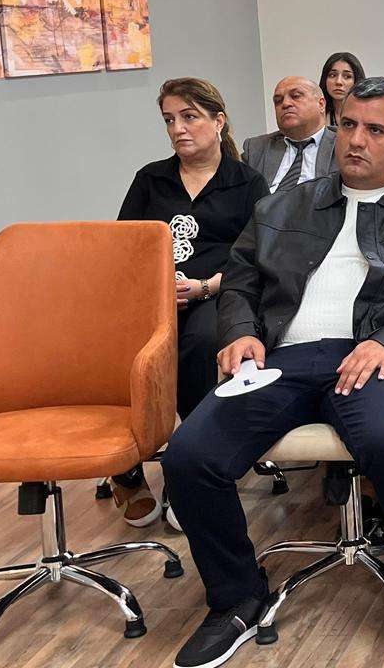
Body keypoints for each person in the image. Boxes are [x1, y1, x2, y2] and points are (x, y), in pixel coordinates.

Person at [163, 77, 384, 668]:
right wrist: (239, 331)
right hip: (282, 361)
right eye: (348, 125)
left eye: (375, 130)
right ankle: (236, 599)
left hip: (375, 357)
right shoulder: (282, 206)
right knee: (189, 455)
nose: (356, 140)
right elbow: (240, 280)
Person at [114, 79, 269, 529]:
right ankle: (125, 468)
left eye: (189, 117)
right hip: (154, 296)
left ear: (218, 121)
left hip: (218, 291)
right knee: (124, 347)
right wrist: (158, 288)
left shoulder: (246, 182)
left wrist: (206, 286)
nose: (177, 129)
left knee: (201, 341)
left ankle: (191, 472)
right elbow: (126, 247)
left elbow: (260, 254)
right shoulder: (151, 179)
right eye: (169, 120)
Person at [242, 76, 337, 191]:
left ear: (321, 104)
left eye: (296, 96)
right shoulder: (257, 148)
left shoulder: (343, 144)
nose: (285, 104)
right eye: (278, 101)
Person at [320, 51, 365, 126]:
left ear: (357, 81)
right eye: (332, 75)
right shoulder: (316, 116)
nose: (338, 82)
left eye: (347, 76)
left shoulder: (369, 115)